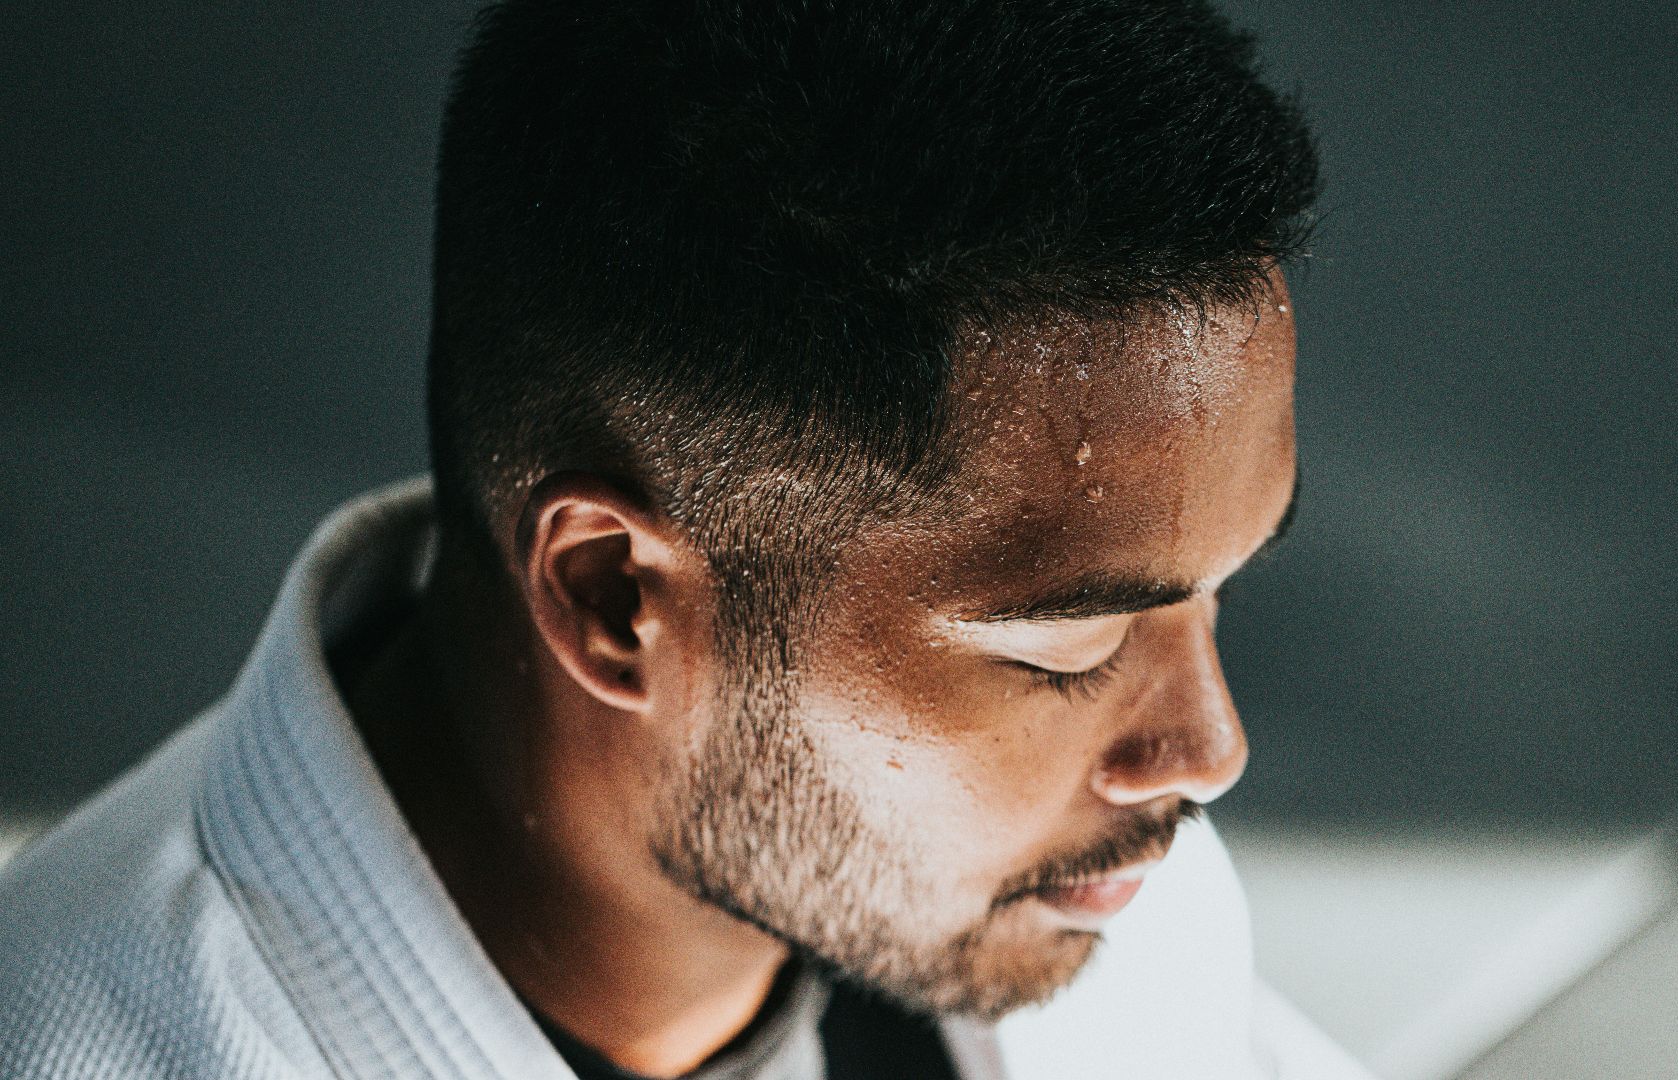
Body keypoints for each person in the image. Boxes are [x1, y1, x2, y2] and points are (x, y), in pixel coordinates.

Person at [0, 1, 1373, 1077]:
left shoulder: (1099, 919)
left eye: (1219, 590)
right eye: (1070, 646)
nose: (1208, 749)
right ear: (613, 597)